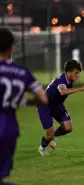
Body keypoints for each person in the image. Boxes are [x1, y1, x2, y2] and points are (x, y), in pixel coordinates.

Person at [0, 27, 48, 185]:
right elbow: (43, 98)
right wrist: (22, 101)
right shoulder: (22, 72)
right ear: (12, 47)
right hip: (9, 129)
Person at [37, 60, 84, 156]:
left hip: (57, 104)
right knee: (49, 135)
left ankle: (52, 136)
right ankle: (42, 147)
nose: (77, 75)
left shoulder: (69, 79)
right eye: (76, 73)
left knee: (68, 128)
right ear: (68, 73)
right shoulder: (61, 80)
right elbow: (62, 91)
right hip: (45, 105)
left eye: (78, 73)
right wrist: (81, 88)